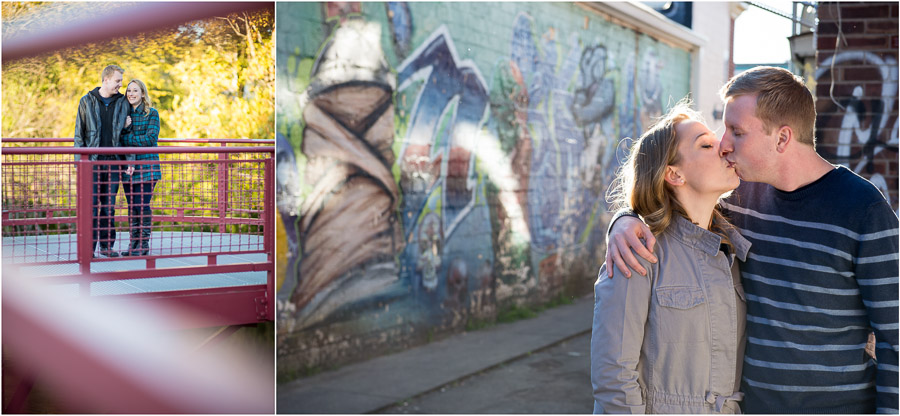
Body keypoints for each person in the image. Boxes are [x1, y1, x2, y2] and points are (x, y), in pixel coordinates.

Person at [605, 66, 898, 413]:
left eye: (737, 132)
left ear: (782, 138)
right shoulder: (740, 201)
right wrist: (625, 219)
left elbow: (894, 337)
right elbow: (673, 201)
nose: (724, 145)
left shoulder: (864, 210)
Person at [592, 99, 751, 413]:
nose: (723, 147)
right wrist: (625, 219)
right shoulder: (638, 251)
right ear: (674, 175)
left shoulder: (732, 250)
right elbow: (614, 379)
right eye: (706, 145)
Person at [74, 64, 132, 258]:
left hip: (114, 163)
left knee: (109, 207)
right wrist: (79, 164)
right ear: (106, 80)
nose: (120, 85)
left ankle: (107, 247)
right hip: (91, 164)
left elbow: (128, 135)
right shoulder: (86, 101)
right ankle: (88, 249)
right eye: (117, 81)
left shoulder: (123, 102)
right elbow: (79, 135)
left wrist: (129, 160)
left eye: (120, 81)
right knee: (90, 206)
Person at [120, 79, 161, 256]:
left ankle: (144, 244)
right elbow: (118, 138)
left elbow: (150, 139)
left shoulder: (151, 113)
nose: (131, 94)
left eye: (135, 91)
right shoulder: (123, 115)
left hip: (148, 166)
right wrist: (125, 130)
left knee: (141, 204)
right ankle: (133, 243)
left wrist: (127, 139)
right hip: (129, 168)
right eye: (129, 91)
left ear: (143, 94)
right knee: (131, 206)